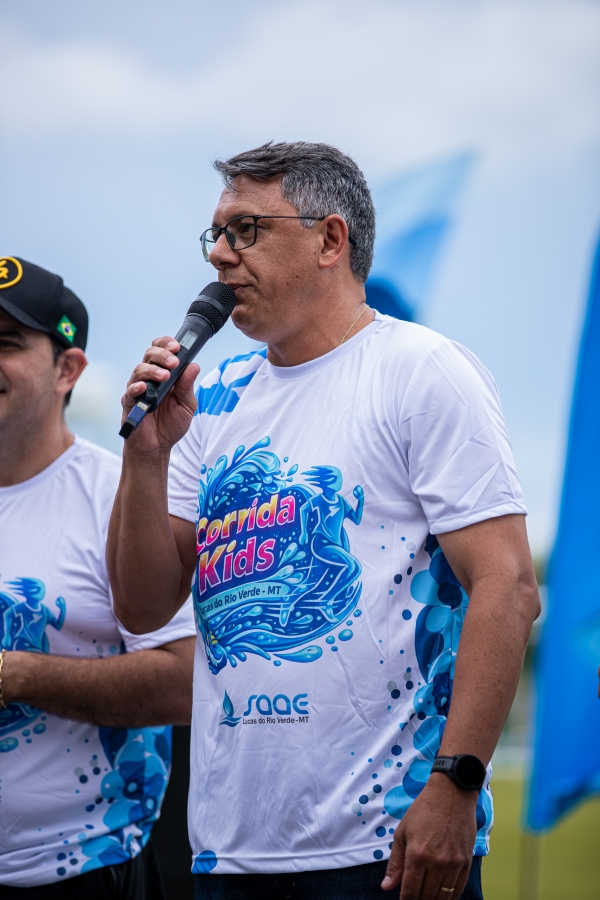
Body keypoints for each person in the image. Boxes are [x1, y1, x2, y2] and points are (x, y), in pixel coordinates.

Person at [107, 143, 541, 900]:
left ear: (330, 240)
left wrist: (457, 784)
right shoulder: (211, 399)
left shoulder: (421, 370)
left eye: (246, 230)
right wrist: (146, 457)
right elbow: (143, 607)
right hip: (229, 853)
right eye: (215, 234)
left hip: (388, 845)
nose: (219, 255)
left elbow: (508, 587)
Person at [0, 257, 196, 898]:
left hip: (81, 867)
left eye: (6, 343)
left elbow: (185, 682)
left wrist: (14, 675)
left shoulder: (120, 497)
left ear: (68, 370)